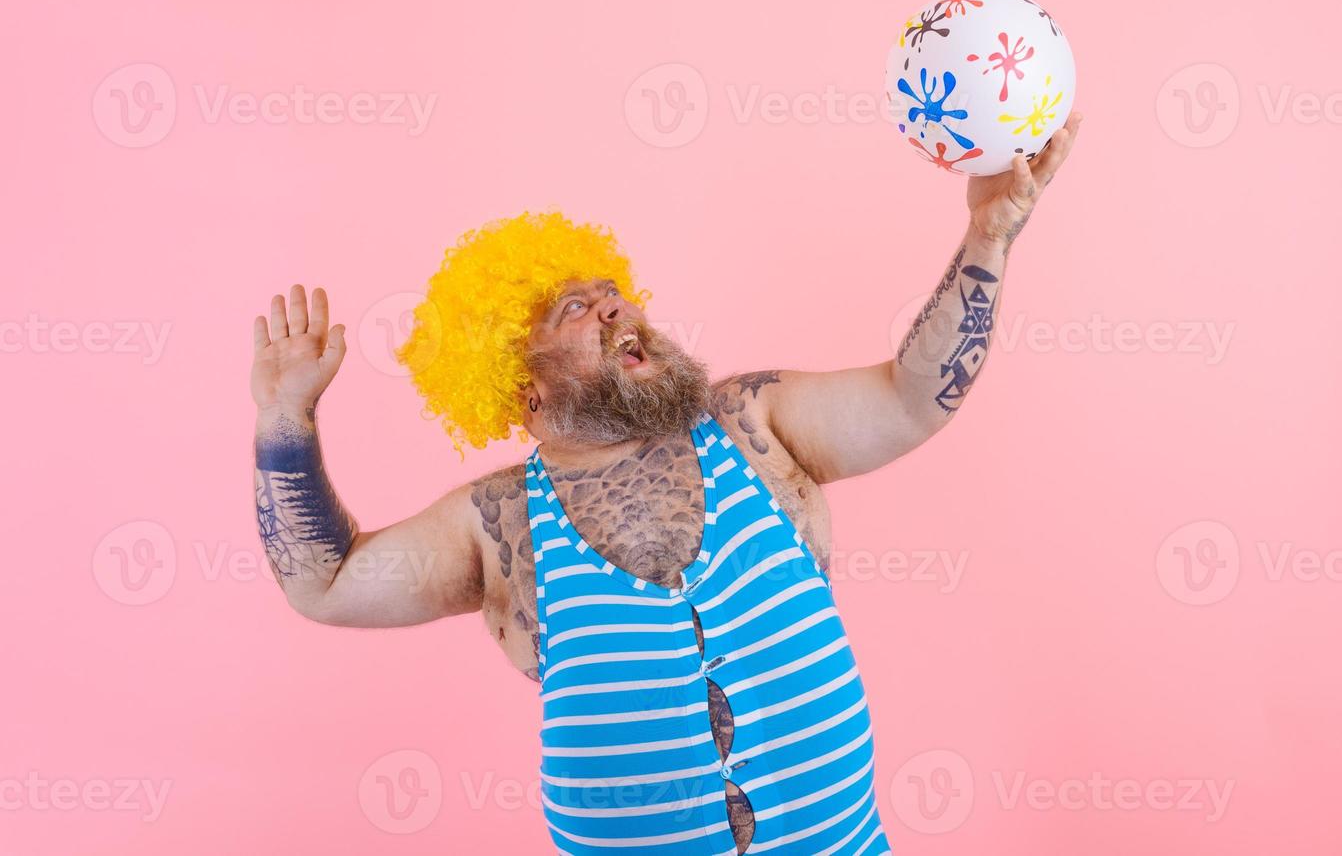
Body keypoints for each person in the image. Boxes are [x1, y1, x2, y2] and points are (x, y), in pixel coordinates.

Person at [249, 112, 1081, 855]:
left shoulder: (757, 425)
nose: (618, 310)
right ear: (519, 386)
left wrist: (988, 236)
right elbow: (327, 584)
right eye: (577, 308)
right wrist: (286, 418)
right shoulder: (496, 524)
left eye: (616, 295)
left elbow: (912, 397)